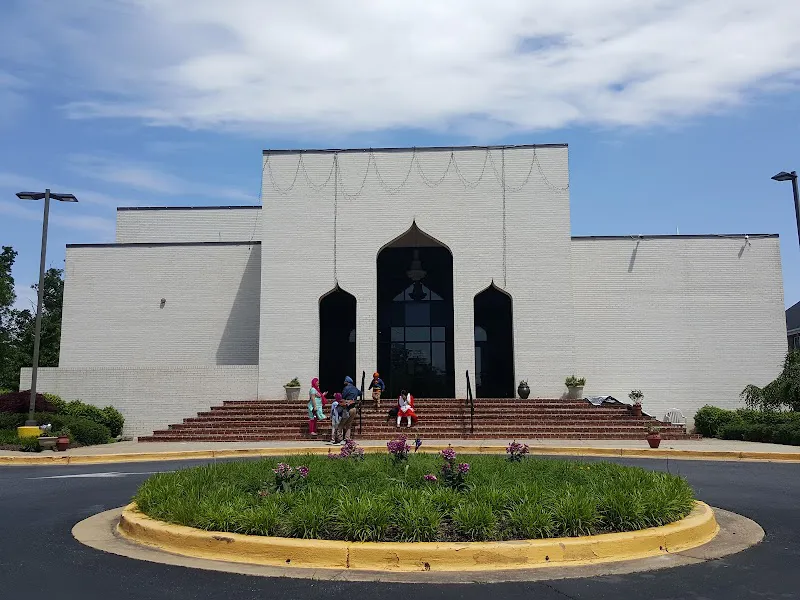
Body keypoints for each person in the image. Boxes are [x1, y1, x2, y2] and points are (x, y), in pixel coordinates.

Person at [339, 376, 362, 441]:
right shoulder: (355, 388)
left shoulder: (346, 388)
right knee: (348, 424)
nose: (344, 382)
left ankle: (339, 439)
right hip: (354, 408)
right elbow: (360, 393)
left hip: (347, 408)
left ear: (347, 382)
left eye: (345, 381)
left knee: (341, 424)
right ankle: (347, 438)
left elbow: (343, 396)